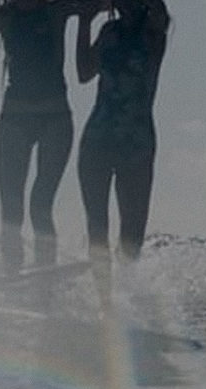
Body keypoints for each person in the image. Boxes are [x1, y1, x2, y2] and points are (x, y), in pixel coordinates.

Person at [0, 0, 107, 273]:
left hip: (55, 118)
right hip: (15, 118)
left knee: (41, 203)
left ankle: (45, 269)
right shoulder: (4, 15)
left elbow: (100, 4)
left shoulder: (56, 8)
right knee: (11, 206)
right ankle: (11, 269)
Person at [76, 0, 169, 266]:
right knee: (97, 228)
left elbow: (160, 12)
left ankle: (126, 287)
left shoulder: (153, 32)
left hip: (136, 143)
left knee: (132, 236)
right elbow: (84, 72)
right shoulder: (109, 32)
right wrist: (84, 22)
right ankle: (102, 290)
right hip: (98, 138)